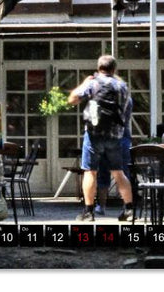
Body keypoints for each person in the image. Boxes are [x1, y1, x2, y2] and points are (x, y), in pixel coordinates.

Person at [68, 55, 135, 222]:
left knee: (90, 171)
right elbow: (126, 112)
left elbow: (72, 99)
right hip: (115, 136)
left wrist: (84, 83)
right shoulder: (122, 86)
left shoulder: (93, 83)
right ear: (114, 69)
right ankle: (128, 209)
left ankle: (89, 212)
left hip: (94, 134)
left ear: (99, 68)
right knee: (119, 173)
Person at [95, 96, 132, 216]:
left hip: (105, 137)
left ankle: (101, 206)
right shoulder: (127, 98)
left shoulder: (102, 99)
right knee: (123, 173)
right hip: (122, 137)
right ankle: (127, 206)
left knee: (103, 173)